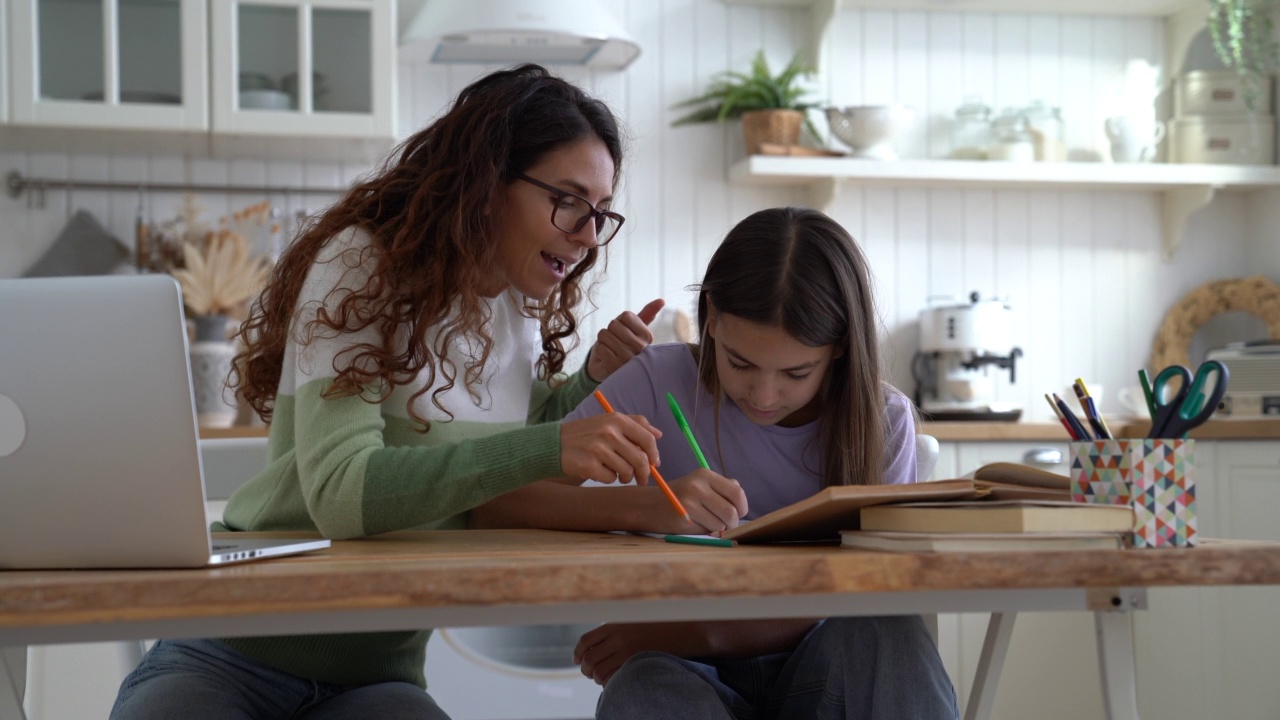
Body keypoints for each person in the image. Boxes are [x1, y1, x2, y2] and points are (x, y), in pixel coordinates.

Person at [110, 64, 669, 720]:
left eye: (601, 214)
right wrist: (555, 445)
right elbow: (343, 495)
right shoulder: (362, 265)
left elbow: (512, 445)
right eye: (570, 202)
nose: (588, 237)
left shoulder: (515, 308)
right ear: (489, 181)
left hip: (377, 676)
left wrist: (590, 379)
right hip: (233, 650)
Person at [472, 206, 960, 720]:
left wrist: (697, 632)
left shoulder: (881, 421)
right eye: (739, 362)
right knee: (645, 687)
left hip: (819, 669)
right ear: (711, 315)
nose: (764, 395)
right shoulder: (655, 381)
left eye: (796, 372)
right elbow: (499, 502)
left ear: (838, 349)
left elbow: (868, 599)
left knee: (891, 629)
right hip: (688, 672)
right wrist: (650, 508)